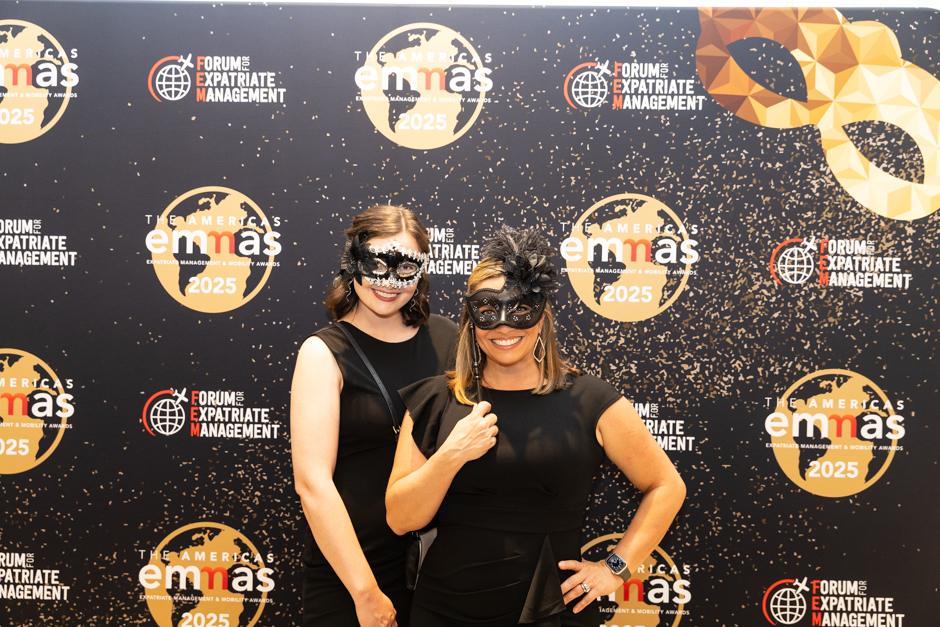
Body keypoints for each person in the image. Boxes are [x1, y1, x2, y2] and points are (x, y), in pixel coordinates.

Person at [385, 225, 686, 627]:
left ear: (541, 318)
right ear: (471, 320)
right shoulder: (436, 400)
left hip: (551, 608)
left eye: (520, 308)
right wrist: (452, 455)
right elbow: (400, 519)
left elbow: (667, 486)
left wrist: (615, 567)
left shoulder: (590, 400)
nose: (504, 326)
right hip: (445, 608)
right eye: (488, 310)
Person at [291, 205, 458, 627]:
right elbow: (312, 484)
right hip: (352, 574)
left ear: (421, 271)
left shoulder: (449, 339)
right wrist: (365, 592)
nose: (388, 281)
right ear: (352, 262)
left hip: (440, 571)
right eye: (377, 264)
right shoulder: (323, 353)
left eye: (405, 267)